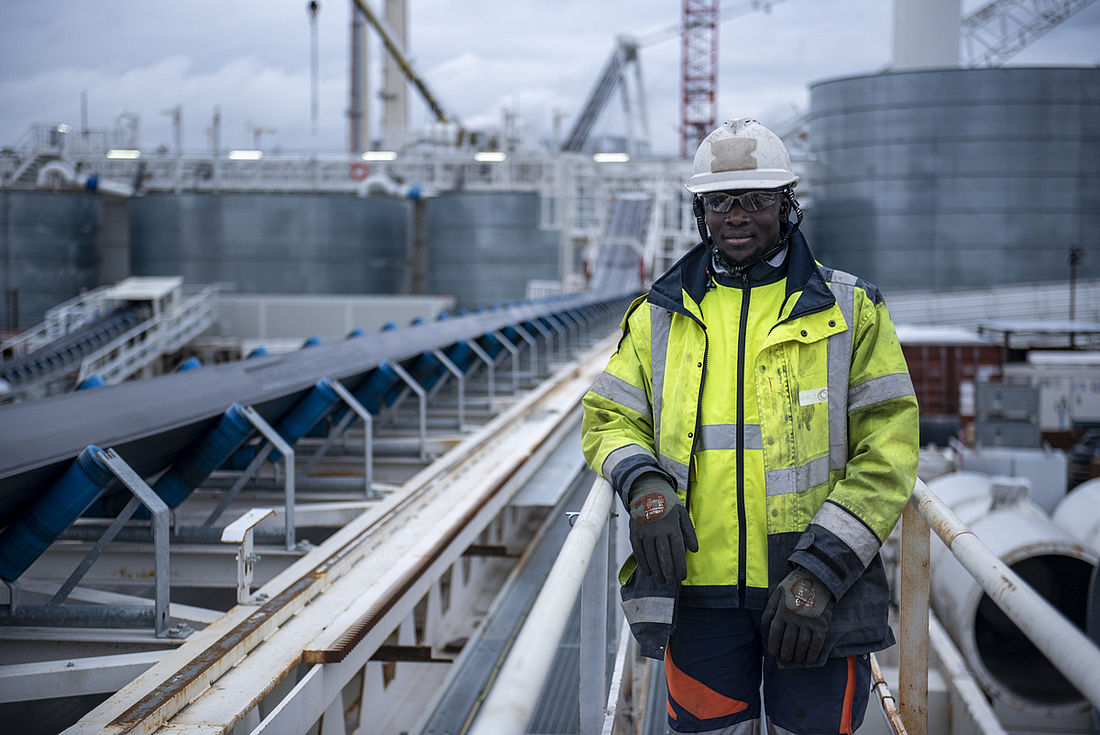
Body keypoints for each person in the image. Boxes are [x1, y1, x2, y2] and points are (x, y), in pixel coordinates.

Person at [581, 118, 918, 735]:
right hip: (697, 590)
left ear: (787, 205)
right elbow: (609, 416)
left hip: (814, 590)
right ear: (700, 211)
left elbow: (889, 451)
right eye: (719, 202)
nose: (737, 216)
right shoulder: (659, 314)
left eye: (756, 200)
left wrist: (820, 572)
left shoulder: (850, 310)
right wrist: (644, 486)